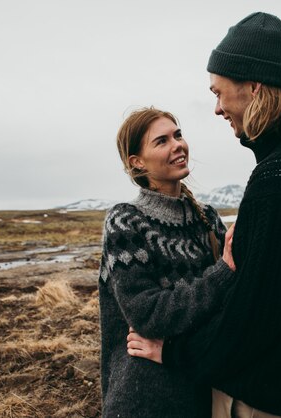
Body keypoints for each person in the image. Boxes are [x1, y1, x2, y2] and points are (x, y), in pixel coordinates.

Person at [127, 12, 281, 418]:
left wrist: (171, 352)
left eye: (219, 93)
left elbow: (253, 317)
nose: (218, 108)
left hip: (254, 400)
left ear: (254, 87)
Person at [98, 107, 236, 417]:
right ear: (137, 161)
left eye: (178, 135)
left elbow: (229, 305)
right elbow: (148, 315)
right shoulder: (126, 222)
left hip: (203, 390)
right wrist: (222, 273)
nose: (177, 145)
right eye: (162, 141)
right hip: (144, 399)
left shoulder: (209, 220)